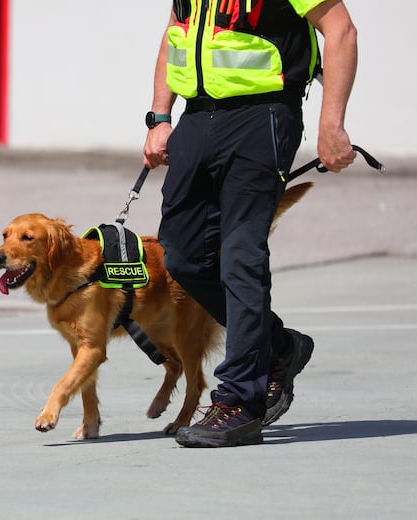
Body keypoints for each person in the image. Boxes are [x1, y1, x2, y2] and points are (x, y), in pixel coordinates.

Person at [142, 0, 357, 447]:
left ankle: (240, 401)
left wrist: (331, 124)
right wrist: (160, 118)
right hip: (197, 118)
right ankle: (277, 347)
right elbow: (175, 32)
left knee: (241, 255)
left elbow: (340, 32)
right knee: (180, 256)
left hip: (263, 117)